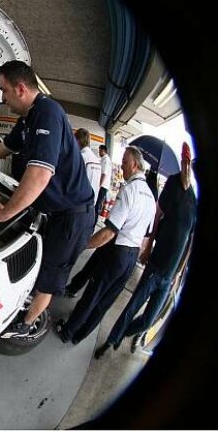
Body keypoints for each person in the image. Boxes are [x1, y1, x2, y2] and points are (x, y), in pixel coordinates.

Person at [0, 60, 94, 336]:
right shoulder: (28, 118)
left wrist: (5, 212)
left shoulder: (48, 113)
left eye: (3, 91)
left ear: (20, 88)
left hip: (73, 216)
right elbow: (5, 148)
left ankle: (26, 326)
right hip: (54, 211)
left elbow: (40, 174)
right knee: (39, 264)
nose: (2, 99)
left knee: (49, 277)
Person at [94, 142, 196, 359]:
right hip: (156, 265)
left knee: (149, 319)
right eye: (185, 162)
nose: (187, 167)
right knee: (132, 307)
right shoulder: (173, 183)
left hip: (169, 276)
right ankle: (112, 340)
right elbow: (158, 216)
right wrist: (148, 245)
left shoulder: (194, 201)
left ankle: (125, 334)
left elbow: (189, 239)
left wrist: (179, 273)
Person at [56, 146, 156, 345]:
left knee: (93, 294)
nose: (122, 167)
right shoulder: (151, 197)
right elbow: (146, 235)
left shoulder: (129, 190)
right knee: (105, 301)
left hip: (117, 251)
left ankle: (67, 331)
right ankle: (80, 335)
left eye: (125, 162)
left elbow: (109, 232)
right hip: (131, 255)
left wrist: (82, 244)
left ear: (135, 165)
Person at [75, 128, 101, 205]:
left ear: (77, 140)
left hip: (79, 205)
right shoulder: (96, 160)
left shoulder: (80, 157)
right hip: (92, 204)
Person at [95, 144, 112, 223]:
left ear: (103, 150)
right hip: (102, 186)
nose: (99, 152)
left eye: (99, 150)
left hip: (102, 186)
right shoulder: (103, 159)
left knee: (98, 204)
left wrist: (98, 185)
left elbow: (104, 174)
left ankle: (94, 222)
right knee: (97, 203)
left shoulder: (106, 160)